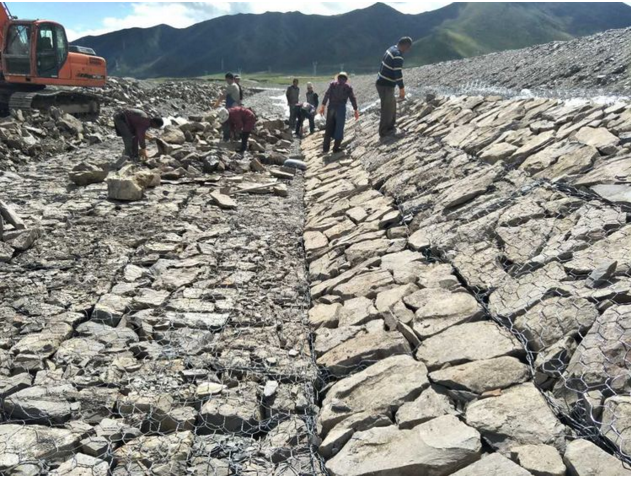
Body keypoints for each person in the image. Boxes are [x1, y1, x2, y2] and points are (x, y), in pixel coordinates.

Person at [376, 36, 413, 137]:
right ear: (405, 46)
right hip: (385, 85)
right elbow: (398, 73)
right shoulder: (398, 56)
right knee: (387, 109)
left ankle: (391, 127)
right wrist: (402, 89)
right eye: (408, 48)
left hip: (381, 82)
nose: (408, 50)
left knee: (391, 105)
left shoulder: (391, 48)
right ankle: (384, 131)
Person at [318, 72, 359, 154]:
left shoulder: (332, 84)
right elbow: (352, 98)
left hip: (331, 107)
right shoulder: (348, 87)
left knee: (329, 128)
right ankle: (336, 148)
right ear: (346, 79)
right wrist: (355, 110)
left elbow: (327, 95)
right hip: (341, 108)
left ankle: (325, 149)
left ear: (338, 77)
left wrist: (323, 106)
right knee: (339, 128)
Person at [214, 73, 242, 141]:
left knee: (226, 121)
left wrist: (216, 104)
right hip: (234, 106)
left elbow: (223, 96)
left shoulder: (232, 86)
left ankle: (226, 138)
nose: (226, 81)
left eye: (226, 80)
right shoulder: (235, 85)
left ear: (229, 79)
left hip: (232, 106)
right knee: (232, 122)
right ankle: (234, 137)